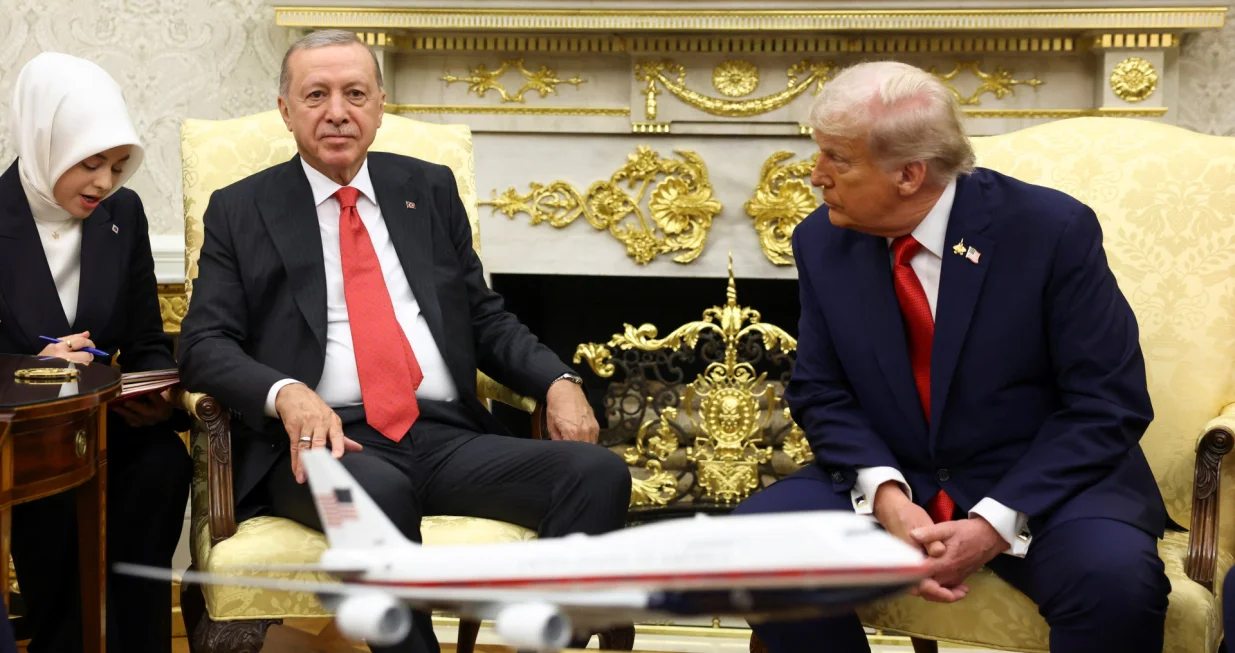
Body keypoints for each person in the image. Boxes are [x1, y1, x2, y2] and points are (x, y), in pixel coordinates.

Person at [177, 29, 632, 653]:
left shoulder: (428, 188)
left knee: (596, 474)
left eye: (355, 93)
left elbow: (484, 317)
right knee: (376, 493)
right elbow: (204, 343)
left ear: (379, 107)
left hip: (445, 436)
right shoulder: (242, 209)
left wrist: (559, 380)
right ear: (286, 111)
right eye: (316, 94)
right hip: (326, 442)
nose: (337, 111)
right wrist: (286, 394)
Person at [734, 61, 1170, 653]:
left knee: (1114, 584)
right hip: (899, 471)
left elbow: (1106, 403)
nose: (816, 177)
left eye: (837, 158)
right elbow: (820, 390)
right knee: (753, 549)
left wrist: (994, 520)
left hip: (1045, 484)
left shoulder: (1050, 231)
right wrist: (886, 494)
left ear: (909, 174)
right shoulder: (822, 239)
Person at [0, 52, 193, 653]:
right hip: (23, 440)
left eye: (116, 164)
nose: (105, 183)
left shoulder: (122, 215)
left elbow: (142, 339)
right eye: (90, 163)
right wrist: (39, 369)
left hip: (113, 427)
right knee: (54, 507)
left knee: (163, 467)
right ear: (45, 144)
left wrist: (158, 396)